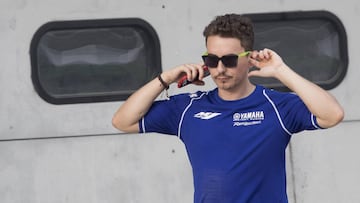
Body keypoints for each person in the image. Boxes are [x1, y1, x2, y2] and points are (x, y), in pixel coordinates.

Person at [112, 14, 344, 203]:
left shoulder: (276, 106)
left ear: (249, 57)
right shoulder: (189, 108)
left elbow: (333, 114)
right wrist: (167, 77)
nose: (220, 69)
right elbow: (123, 121)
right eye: (212, 60)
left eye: (230, 60)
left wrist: (280, 70)